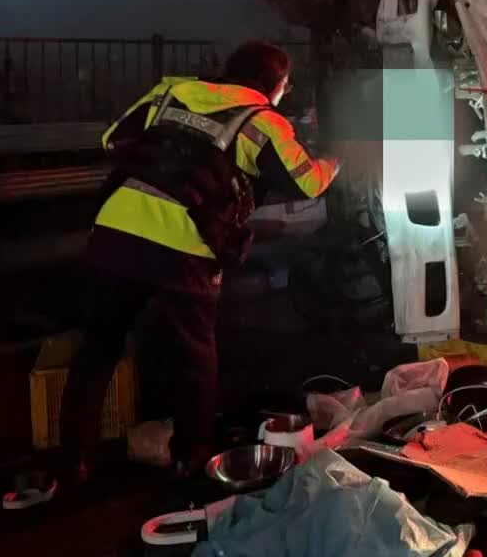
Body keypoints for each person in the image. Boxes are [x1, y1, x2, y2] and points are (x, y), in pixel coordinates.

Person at [59, 40, 339, 483]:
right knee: (194, 355)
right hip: (182, 247)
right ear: (276, 85)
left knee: (98, 348)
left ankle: (73, 461)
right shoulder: (263, 120)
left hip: (116, 234)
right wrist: (334, 159)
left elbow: (112, 139)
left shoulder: (171, 92)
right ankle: (192, 459)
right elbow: (307, 182)